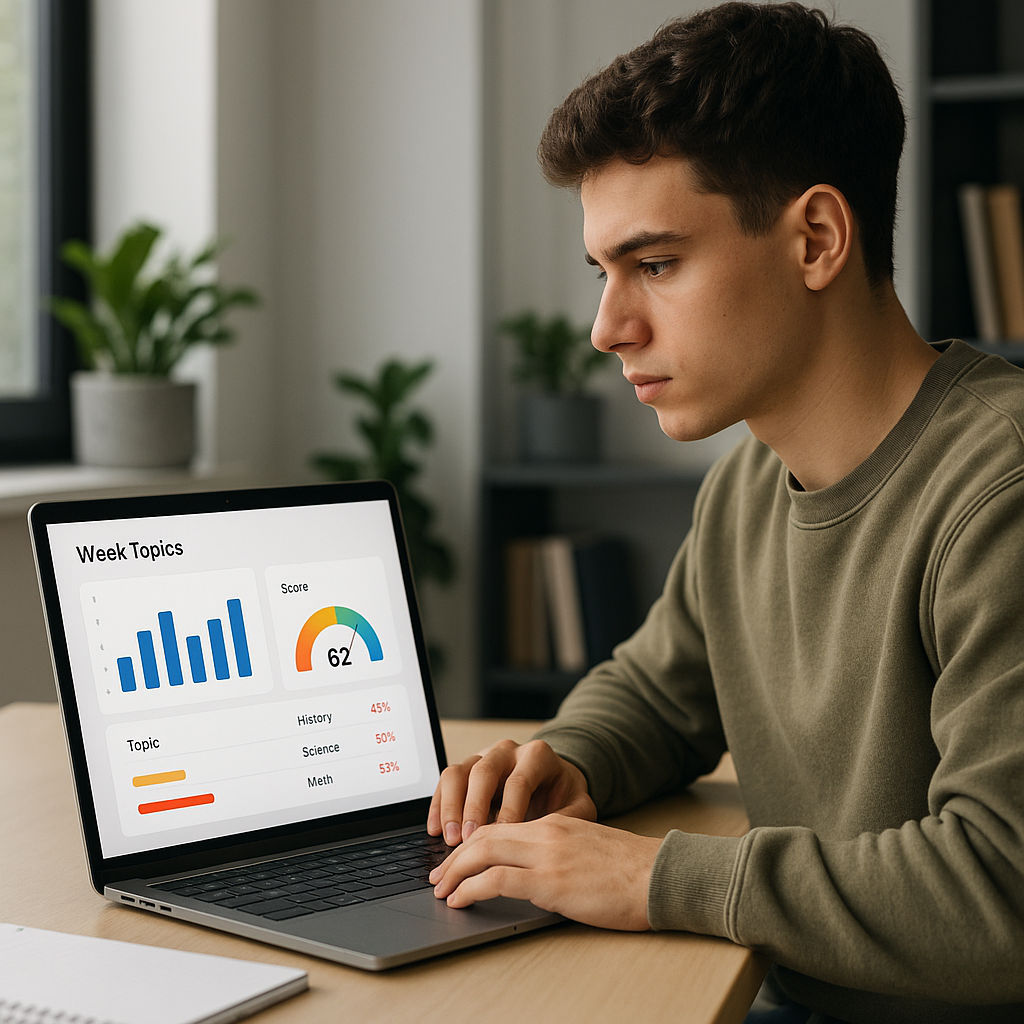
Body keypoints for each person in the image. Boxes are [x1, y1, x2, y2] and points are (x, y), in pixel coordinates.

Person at [427, 4, 1024, 1022]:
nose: (606, 328)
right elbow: (660, 695)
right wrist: (561, 763)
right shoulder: (750, 483)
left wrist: (650, 877)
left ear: (817, 239)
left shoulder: (998, 491)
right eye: (603, 272)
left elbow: (1000, 890)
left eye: (654, 265)